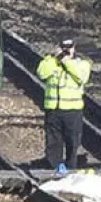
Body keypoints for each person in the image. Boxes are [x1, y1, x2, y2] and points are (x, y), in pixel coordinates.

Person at [36, 39, 92, 169]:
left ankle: (71, 168)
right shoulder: (49, 61)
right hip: (53, 110)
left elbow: (82, 77)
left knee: (72, 142)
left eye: (69, 47)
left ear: (74, 48)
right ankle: (54, 168)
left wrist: (67, 62)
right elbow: (42, 73)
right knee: (53, 143)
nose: (66, 50)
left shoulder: (82, 63)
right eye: (63, 47)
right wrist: (56, 59)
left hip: (72, 110)